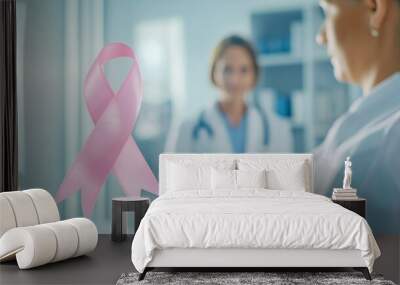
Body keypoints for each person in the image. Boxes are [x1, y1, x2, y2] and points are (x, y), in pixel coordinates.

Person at [314, 0, 400, 233]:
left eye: (327, 11)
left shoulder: (390, 139)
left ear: (375, 9)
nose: (320, 37)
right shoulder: (361, 123)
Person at [166, 35, 291, 153]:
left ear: (254, 75)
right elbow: (170, 175)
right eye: (227, 70)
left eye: (244, 70)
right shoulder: (187, 129)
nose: (234, 80)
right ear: (214, 73)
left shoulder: (278, 128)